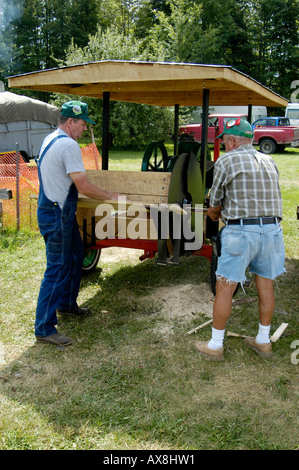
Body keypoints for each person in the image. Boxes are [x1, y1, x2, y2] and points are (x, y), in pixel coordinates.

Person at [195, 118, 285, 361]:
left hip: (242, 233)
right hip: (272, 231)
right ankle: (263, 341)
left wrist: (213, 212)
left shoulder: (226, 160)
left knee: (224, 287)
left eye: (224, 142)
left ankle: (215, 345)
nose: (224, 146)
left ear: (232, 140)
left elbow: (214, 204)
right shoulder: (269, 160)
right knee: (265, 286)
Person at [35, 100, 119, 347]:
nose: (84, 130)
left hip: (53, 210)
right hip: (57, 214)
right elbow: (82, 185)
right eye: (83, 124)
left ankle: (66, 305)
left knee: (76, 254)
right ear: (70, 121)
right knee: (57, 269)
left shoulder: (50, 138)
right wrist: (111, 196)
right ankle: (44, 328)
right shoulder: (68, 145)